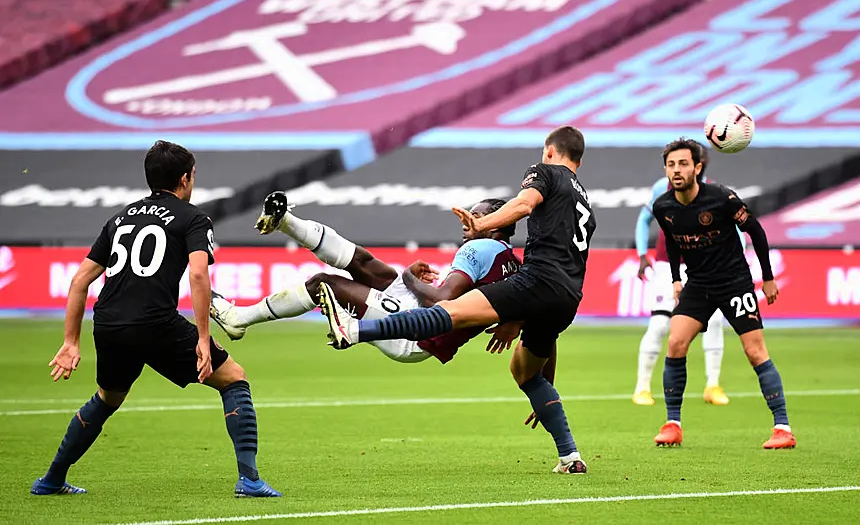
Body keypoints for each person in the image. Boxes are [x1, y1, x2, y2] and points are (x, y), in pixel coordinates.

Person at [320, 126, 596, 474]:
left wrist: (482, 225)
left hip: (538, 280)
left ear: (551, 152)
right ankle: (570, 456)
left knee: (449, 312)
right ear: (580, 161)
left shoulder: (544, 172)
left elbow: (525, 203)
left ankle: (357, 330)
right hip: (568, 298)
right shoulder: (584, 201)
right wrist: (548, 395)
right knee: (524, 372)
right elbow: (548, 330)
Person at [31, 141, 281, 497]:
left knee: (107, 398)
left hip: (110, 323)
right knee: (234, 379)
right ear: (184, 178)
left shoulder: (120, 219)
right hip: (155, 323)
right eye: (193, 176)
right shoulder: (193, 218)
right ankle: (250, 479)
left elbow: (79, 281)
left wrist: (71, 342)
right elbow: (198, 275)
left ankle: (52, 479)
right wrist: (203, 338)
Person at [210, 193, 523, 363]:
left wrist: (409, 278)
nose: (466, 219)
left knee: (325, 284)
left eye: (476, 215)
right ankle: (286, 221)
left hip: (415, 334)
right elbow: (534, 301)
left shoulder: (479, 248)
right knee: (364, 263)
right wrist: (517, 322)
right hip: (421, 319)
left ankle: (239, 319)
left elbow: (441, 302)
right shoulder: (512, 262)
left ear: (496, 223)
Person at [651, 137, 796, 450]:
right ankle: (672, 424)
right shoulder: (663, 206)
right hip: (698, 285)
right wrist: (677, 279)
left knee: (755, 350)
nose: (677, 170)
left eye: (683, 164)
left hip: (734, 283)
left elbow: (755, 230)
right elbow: (673, 241)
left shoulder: (722, 198)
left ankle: (782, 427)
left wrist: (767, 278)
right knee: (675, 342)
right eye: (671, 164)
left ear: (698, 167)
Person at [633, 143, 731, 406]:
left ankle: (713, 385)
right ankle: (642, 387)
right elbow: (644, 220)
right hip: (667, 266)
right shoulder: (660, 189)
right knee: (661, 324)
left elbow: (734, 231)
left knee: (715, 322)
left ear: (698, 165)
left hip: (705, 268)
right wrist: (643, 255)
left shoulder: (714, 192)